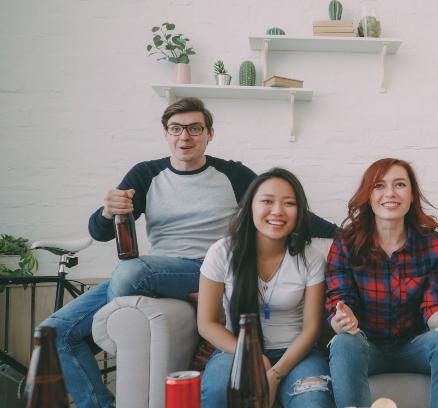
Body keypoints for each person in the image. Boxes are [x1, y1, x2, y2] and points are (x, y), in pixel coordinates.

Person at [39, 97, 337, 408]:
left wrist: (351, 235)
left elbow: (282, 210)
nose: (185, 137)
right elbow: (100, 233)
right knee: (52, 333)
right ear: (165, 134)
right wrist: (106, 212)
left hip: (212, 268)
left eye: (195, 128)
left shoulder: (232, 175)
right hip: (157, 274)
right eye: (176, 129)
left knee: (130, 271)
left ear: (210, 134)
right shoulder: (145, 175)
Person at [326, 158, 438, 408]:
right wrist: (342, 319)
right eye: (379, 186)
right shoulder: (347, 243)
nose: (390, 194)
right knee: (344, 342)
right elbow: (337, 303)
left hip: (412, 346)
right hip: (365, 345)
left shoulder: (432, 243)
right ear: (368, 194)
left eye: (399, 185)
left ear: (411, 195)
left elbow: (433, 313)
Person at [198, 168, 332, 408]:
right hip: (235, 350)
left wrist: (275, 373)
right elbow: (206, 323)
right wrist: (252, 357)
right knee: (218, 393)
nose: (278, 211)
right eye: (267, 201)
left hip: (296, 353)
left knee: (313, 402)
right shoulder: (222, 252)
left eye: (289, 203)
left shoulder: (311, 258)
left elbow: (311, 328)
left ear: (300, 212)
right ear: (250, 206)